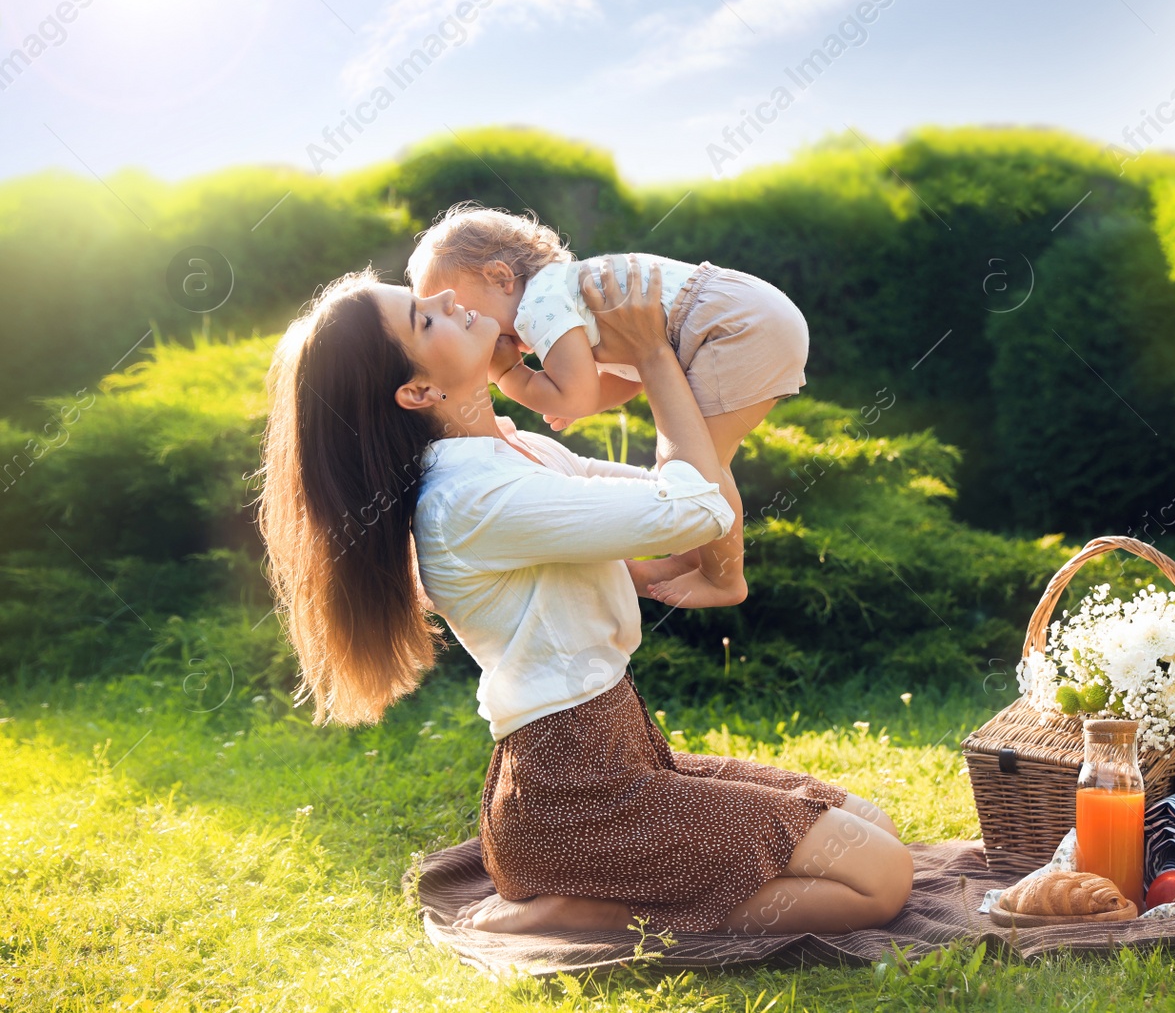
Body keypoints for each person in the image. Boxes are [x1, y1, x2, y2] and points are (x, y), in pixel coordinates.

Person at [257, 255, 911, 936]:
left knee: (873, 826)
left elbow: (671, 500)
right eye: (424, 316)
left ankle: (614, 891)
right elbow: (694, 506)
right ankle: (594, 910)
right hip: (573, 795)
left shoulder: (512, 450)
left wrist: (659, 546)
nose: (448, 295)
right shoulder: (471, 496)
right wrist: (655, 355)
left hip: (620, 755)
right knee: (880, 879)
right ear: (417, 391)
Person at [406, 202, 811, 610]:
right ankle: (696, 553)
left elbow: (577, 394)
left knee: (699, 467)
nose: (471, 322)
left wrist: (512, 372)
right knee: (703, 461)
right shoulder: (569, 287)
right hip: (752, 314)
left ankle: (723, 578)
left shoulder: (538, 307)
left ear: (500, 277)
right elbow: (625, 377)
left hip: (731, 331)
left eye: (467, 310)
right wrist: (577, 397)